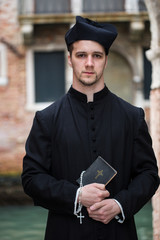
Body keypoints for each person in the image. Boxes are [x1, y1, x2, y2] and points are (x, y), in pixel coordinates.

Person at [22, 16, 159, 240]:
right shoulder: (46, 119)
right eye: (81, 55)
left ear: (105, 60)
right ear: (70, 59)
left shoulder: (132, 117)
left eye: (96, 55)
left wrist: (119, 204)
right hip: (64, 233)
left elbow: (149, 175)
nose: (89, 63)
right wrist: (76, 195)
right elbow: (31, 178)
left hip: (119, 233)